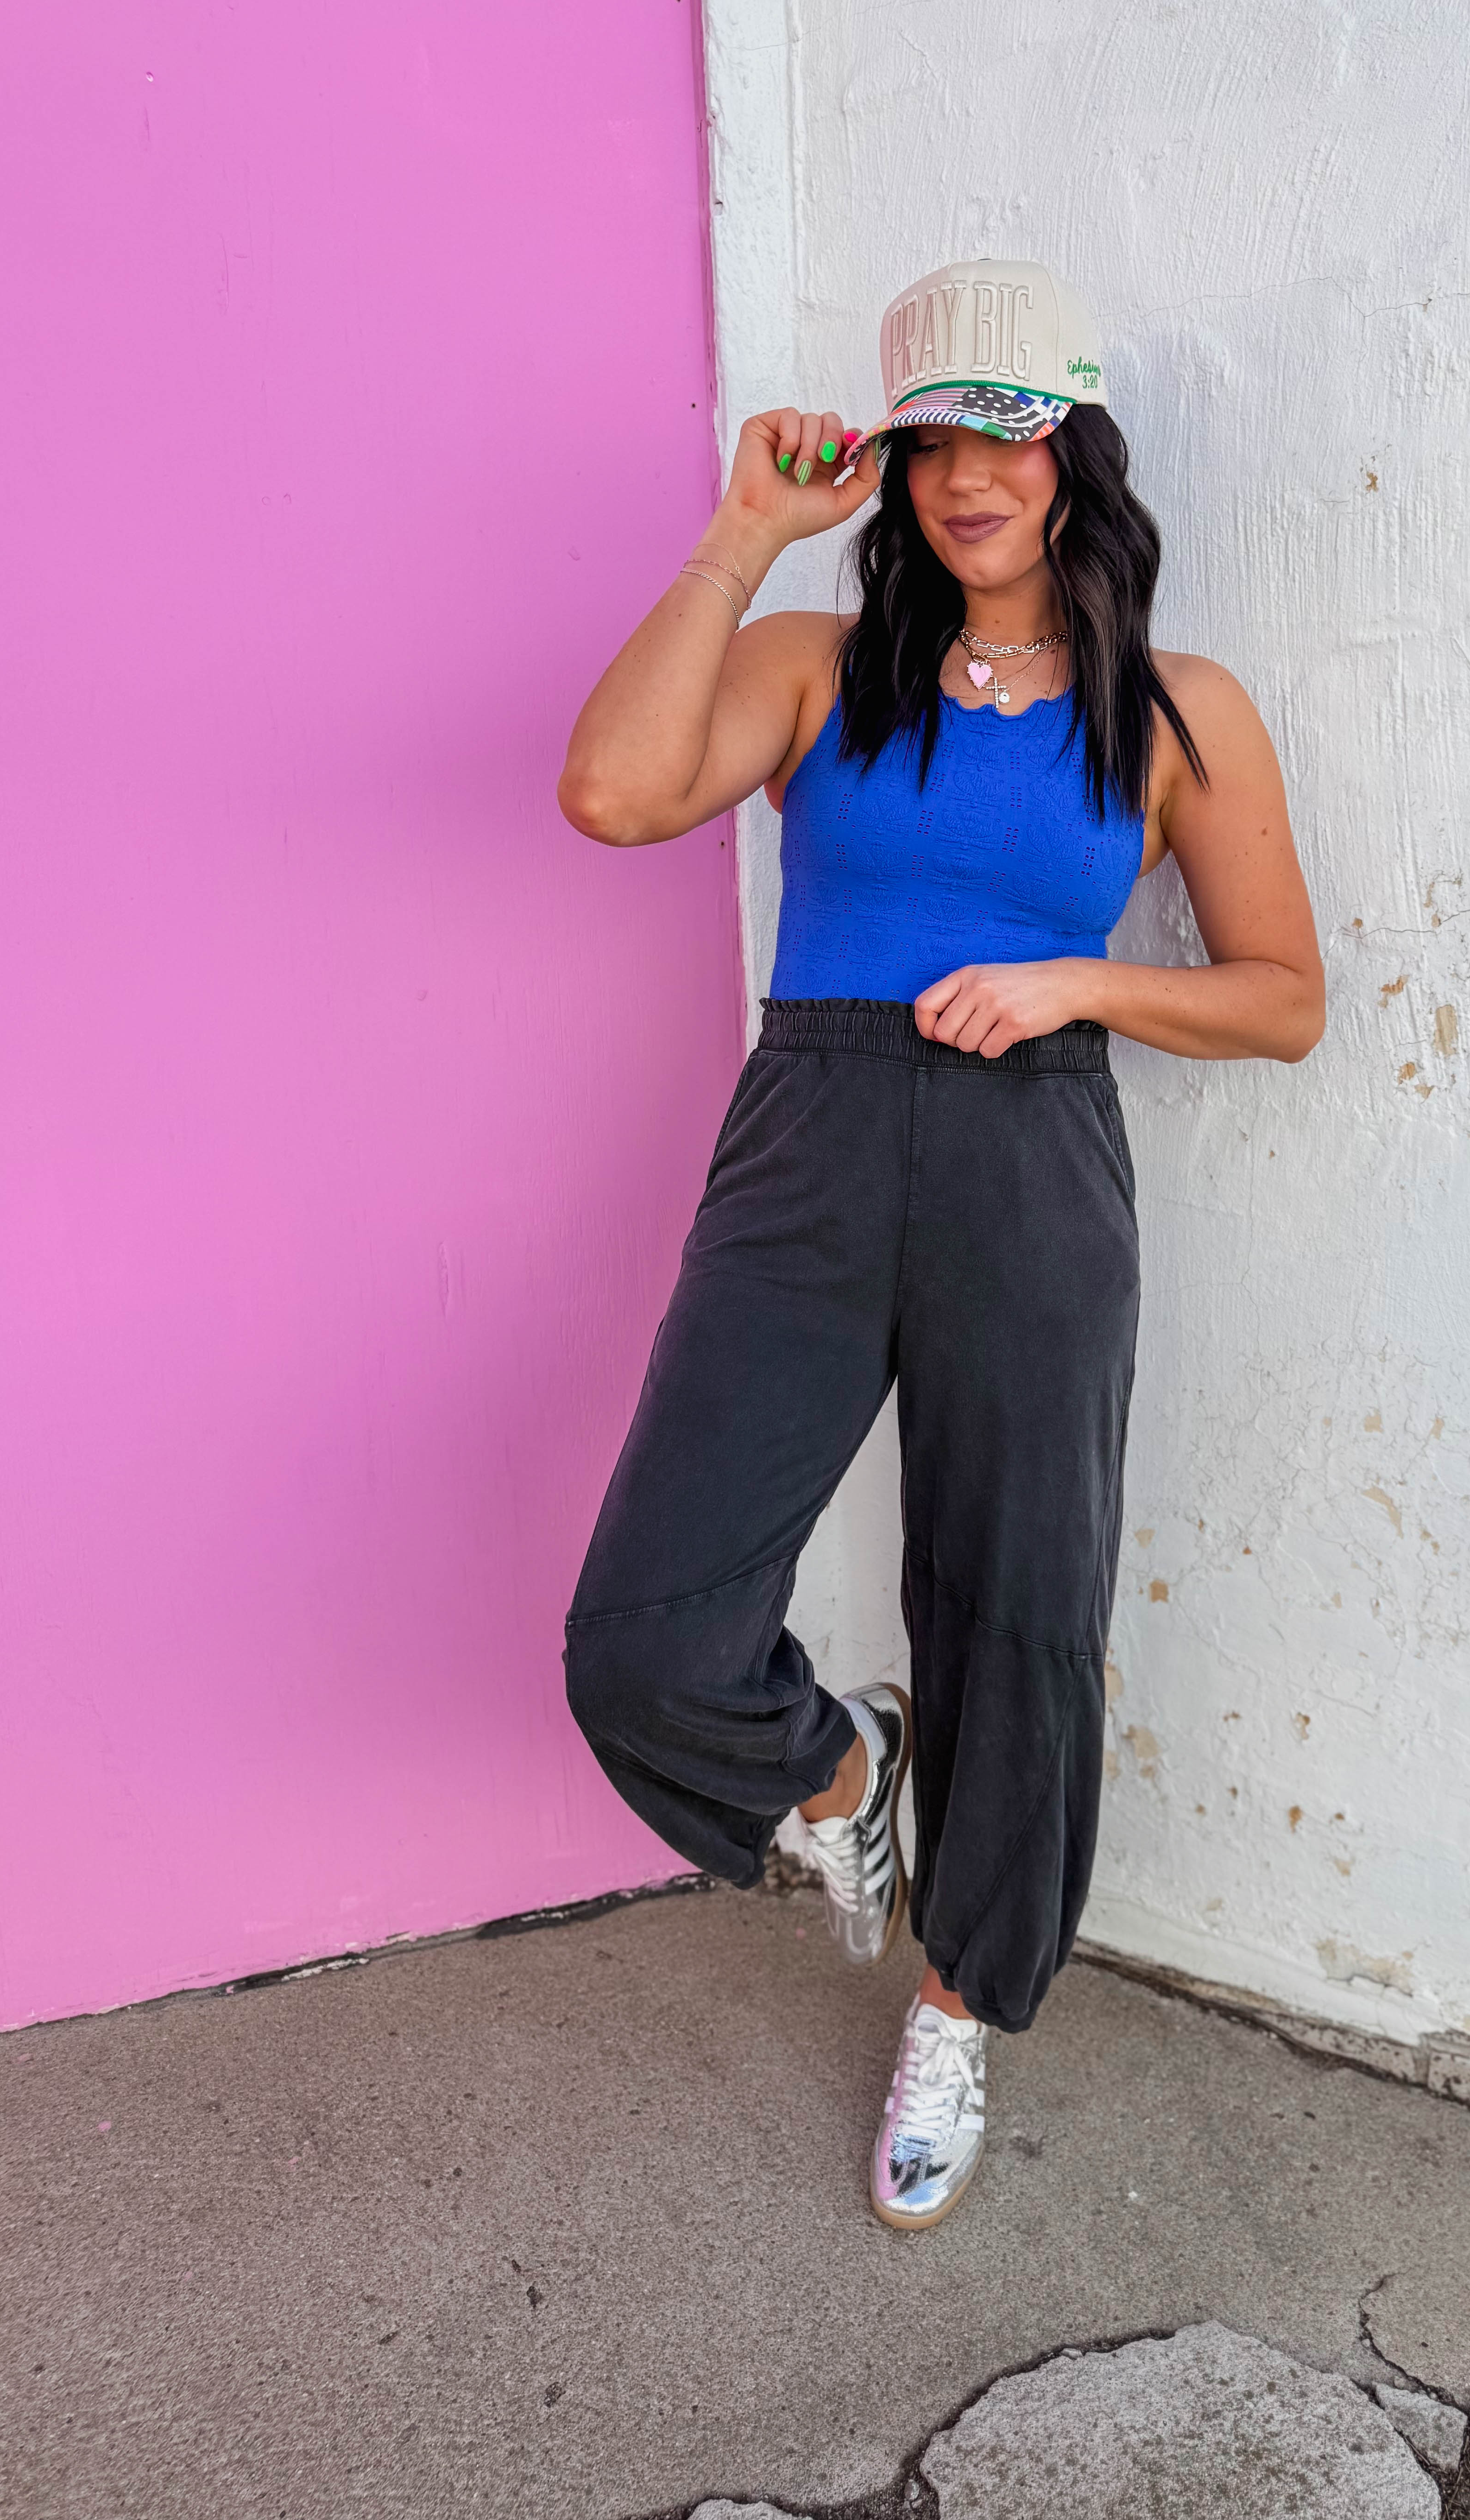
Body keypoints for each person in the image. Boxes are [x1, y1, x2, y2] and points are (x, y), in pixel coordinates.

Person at [557, 257, 1325, 2230]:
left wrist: (1081, 981)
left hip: (1030, 1154)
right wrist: (746, 531)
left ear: (1074, 454)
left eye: (1011, 432)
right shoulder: (823, 661)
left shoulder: (1178, 709)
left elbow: (1281, 996)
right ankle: (845, 1779)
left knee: (1019, 1608)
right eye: (932, 443)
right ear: (892, 471)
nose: (971, 475)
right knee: (645, 1633)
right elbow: (615, 792)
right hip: (809, 1137)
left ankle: (962, 2004)